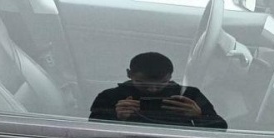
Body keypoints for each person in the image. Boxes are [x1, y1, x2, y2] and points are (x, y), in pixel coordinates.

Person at [89, 52, 227, 130]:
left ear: (170, 77)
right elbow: (92, 129)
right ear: (129, 74)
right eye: (142, 83)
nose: (152, 89)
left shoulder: (189, 96)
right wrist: (117, 118)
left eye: (162, 83)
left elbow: (221, 128)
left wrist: (198, 116)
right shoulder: (110, 97)